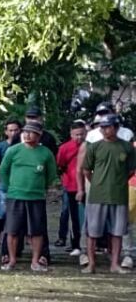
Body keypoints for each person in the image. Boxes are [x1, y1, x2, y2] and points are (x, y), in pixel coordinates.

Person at [79, 114, 136, 273]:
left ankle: (115, 264)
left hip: (119, 195)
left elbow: (131, 170)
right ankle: (91, 264)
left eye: (108, 127)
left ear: (116, 128)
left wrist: (118, 181)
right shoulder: (94, 147)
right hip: (97, 195)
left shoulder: (126, 147)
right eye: (102, 127)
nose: (104, 130)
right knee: (93, 231)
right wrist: (97, 182)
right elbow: (86, 170)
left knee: (118, 232)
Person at [0, 121, 58, 272]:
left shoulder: (46, 153)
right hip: (15, 196)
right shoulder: (13, 150)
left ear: (39, 135)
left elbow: (51, 175)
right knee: (12, 230)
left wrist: (41, 187)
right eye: (25, 132)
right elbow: (3, 171)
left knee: (37, 231)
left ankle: (35, 261)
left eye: (31, 132)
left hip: (36, 197)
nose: (27, 135)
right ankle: (11, 260)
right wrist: (12, 186)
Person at [55, 121, 86, 256]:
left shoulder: (90, 146)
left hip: (89, 184)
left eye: (81, 134)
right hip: (71, 185)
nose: (79, 137)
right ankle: (76, 244)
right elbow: (60, 165)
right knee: (74, 217)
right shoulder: (65, 148)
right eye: (76, 135)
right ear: (71, 134)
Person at [0, 119, 21, 260]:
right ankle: (1, 238)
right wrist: (3, 180)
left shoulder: (24, 147)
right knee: (3, 214)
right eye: (10, 130)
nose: (13, 133)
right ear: (6, 132)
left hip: (21, 188)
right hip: (5, 186)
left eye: (16, 130)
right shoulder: (0, 147)